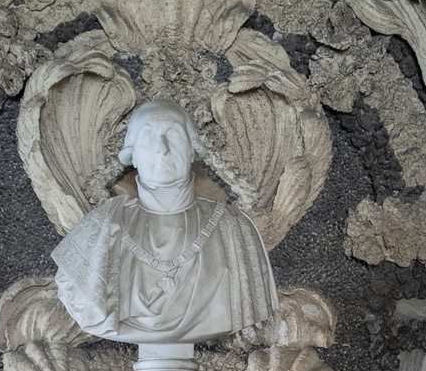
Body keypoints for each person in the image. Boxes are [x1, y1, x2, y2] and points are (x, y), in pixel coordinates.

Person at [51, 100, 278, 345]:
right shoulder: (100, 229)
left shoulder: (235, 230)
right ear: (132, 156)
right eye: (148, 137)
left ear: (192, 151)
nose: (162, 148)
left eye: (174, 135)